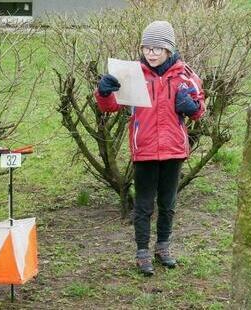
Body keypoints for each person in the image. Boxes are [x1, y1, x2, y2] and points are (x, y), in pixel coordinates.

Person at [94, 21, 206, 276]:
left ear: (169, 50)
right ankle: (142, 252)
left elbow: (200, 110)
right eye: (147, 48)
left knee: (167, 203)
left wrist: (189, 106)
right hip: (143, 149)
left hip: (173, 150)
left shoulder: (184, 75)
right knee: (144, 205)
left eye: (158, 48)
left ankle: (163, 247)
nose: (151, 53)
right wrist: (103, 92)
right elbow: (109, 107)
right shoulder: (131, 74)